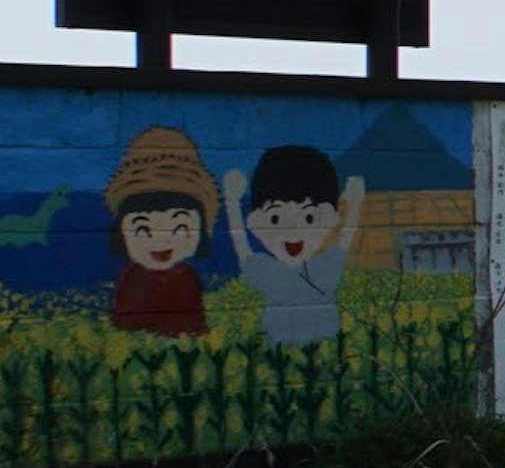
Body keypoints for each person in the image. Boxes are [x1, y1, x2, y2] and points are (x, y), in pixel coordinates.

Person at [224, 144, 364, 349]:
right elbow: (242, 248)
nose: (293, 232)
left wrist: (354, 204)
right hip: (281, 352)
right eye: (275, 218)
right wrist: (232, 203)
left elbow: (242, 247)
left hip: (321, 350)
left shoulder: (321, 269)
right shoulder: (271, 271)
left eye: (309, 217)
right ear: (254, 221)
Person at [102, 126, 218, 337]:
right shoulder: (131, 278)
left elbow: (194, 328)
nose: (163, 238)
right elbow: (123, 327)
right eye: (143, 228)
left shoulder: (186, 279)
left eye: (180, 227)